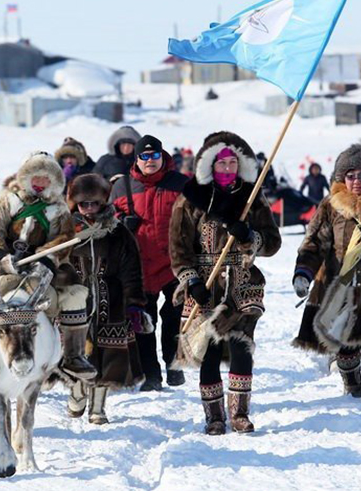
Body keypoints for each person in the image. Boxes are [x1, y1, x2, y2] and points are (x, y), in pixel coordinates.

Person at [0, 152, 93, 399]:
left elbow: (65, 239)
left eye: (46, 178)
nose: (40, 183)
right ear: (25, 177)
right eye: (35, 177)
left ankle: (74, 356)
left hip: (42, 270)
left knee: (75, 296)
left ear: (54, 181)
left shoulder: (59, 209)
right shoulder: (6, 201)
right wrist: (0, 256)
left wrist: (47, 257)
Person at [170, 131, 281, 435]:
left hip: (242, 282)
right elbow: (178, 248)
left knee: (242, 346)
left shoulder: (251, 197)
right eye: (222, 163)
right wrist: (191, 280)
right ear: (209, 165)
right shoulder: (190, 199)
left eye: (233, 162)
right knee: (209, 351)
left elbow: (273, 242)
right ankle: (214, 417)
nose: (228, 168)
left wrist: (250, 237)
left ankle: (239, 414)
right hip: (204, 285)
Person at [292, 144, 361, 404]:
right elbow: (315, 243)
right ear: (341, 178)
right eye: (350, 175)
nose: (356, 181)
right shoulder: (331, 207)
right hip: (340, 283)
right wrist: (304, 272)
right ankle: (352, 386)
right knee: (344, 341)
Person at [110, 135, 189, 390]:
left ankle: (174, 364)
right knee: (143, 321)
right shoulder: (122, 186)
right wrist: (121, 223)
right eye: (144, 156)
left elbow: (196, 217)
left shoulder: (180, 183)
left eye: (154, 155)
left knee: (174, 316)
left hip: (174, 263)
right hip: (139, 266)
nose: (150, 160)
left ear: (161, 156)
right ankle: (150, 375)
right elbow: (107, 219)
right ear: (137, 159)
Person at [66, 174, 146, 424]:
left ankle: (98, 407)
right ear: (75, 204)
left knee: (107, 353)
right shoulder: (65, 230)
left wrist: (134, 302)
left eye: (94, 203)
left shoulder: (117, 231)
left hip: (110, 299)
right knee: (75, 350)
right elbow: (54, 263)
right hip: (74, 298)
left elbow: (131, 268)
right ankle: (77, 390)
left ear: (103, 203)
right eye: (84, 204)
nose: (89, 209)